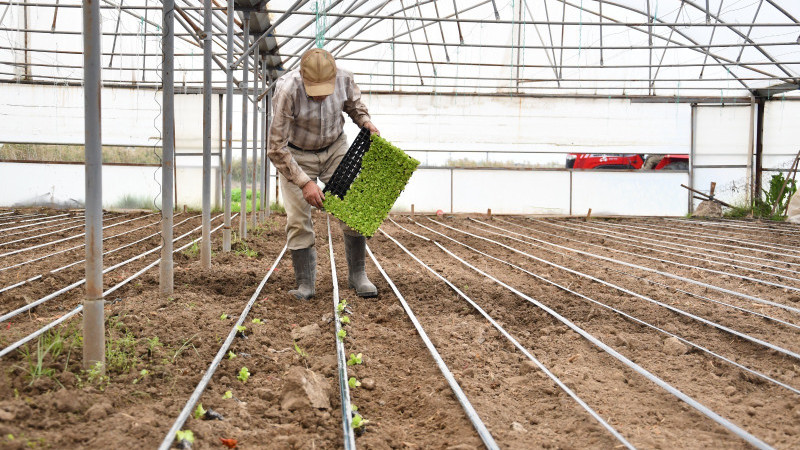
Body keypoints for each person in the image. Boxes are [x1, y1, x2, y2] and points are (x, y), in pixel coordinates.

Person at [267, 48, 380, 300]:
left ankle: (357, 275)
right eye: (313, 92)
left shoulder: (344, 79)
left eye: (324, 92)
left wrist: (365, 121)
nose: (319, 98)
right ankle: (305, 284)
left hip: (334, 147)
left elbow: (354, 105)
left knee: (353, 208)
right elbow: (275, 147)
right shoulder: (288, 90)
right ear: (303, 78)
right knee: (297, 220)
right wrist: (304, 182)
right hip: (295, 154)